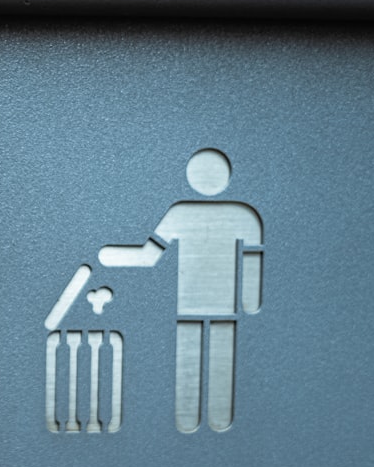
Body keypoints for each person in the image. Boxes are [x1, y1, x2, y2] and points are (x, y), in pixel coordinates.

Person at [99, 149, 262, 432]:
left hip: (194, 308)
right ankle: (214, 421)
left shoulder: (183, 213)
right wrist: (249, 301)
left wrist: (111, 256)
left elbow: (149, 255)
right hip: (221, 307)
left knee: (193, 360)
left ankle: (194, 422)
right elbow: (251, 259)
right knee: (214, 362)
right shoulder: (243, 215)